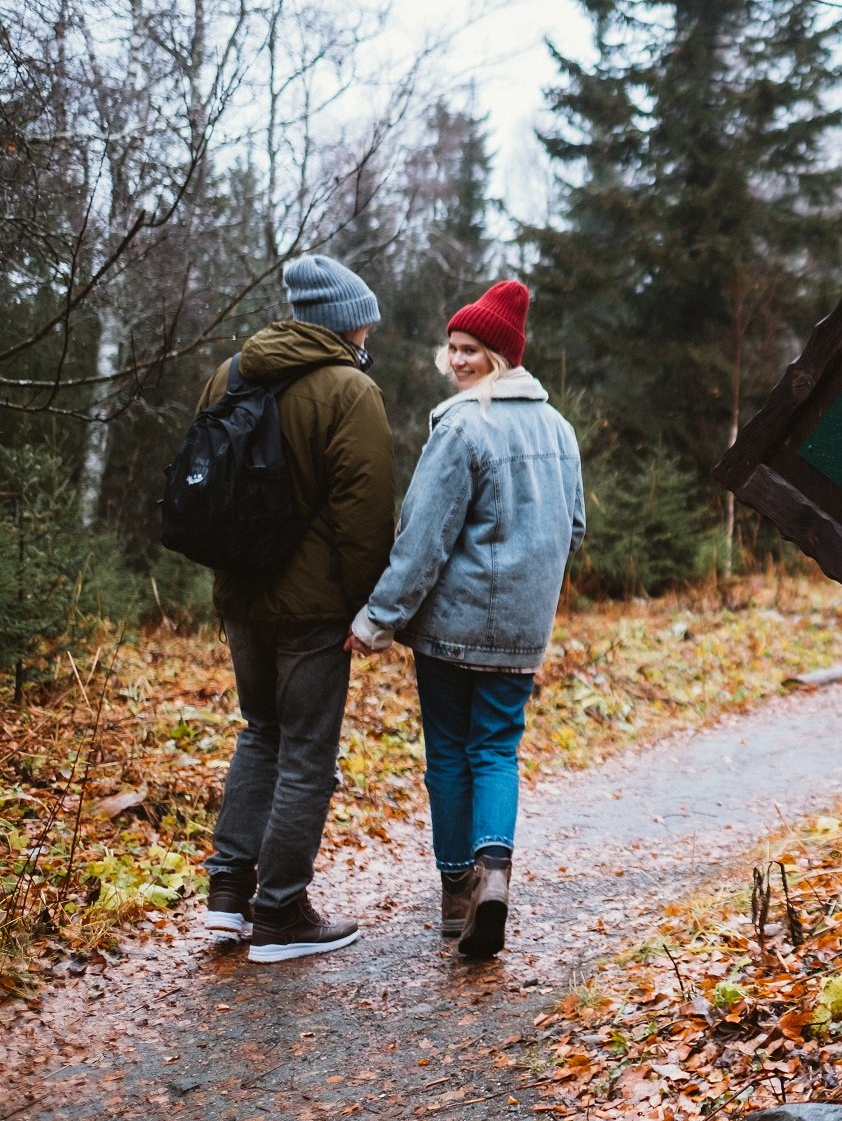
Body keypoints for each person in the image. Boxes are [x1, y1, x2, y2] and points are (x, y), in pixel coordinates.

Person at [348, 280, 584, 960]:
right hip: (520, 631)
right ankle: (496, 876)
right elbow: (573, 527)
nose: (458, 360)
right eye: (452, 347)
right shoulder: (559, 430)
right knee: (498, 750)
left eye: (472, 349)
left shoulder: (462, 426)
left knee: (452, 754)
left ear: (501, 356)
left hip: (452, 629)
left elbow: (423, 537)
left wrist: (376, 620)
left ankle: (459, 893)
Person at [201, 254, 395, 963]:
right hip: (313, 609)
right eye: (366, 318)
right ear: (346, 323)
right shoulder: (349, 390)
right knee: (307, 755)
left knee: (261, 733)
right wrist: (366, 610)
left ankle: (228, 901)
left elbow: (204, 484)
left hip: (241, 596)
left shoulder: (230, 374)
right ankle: (281, 914)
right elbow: (365, 515)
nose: (371, 329)